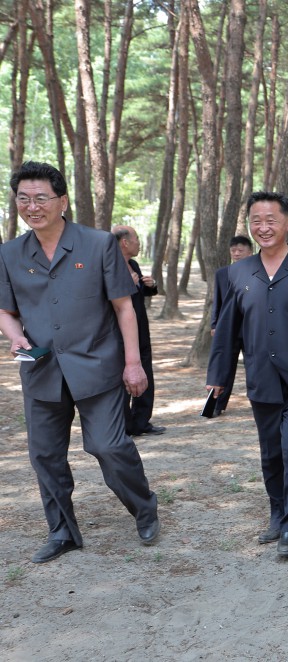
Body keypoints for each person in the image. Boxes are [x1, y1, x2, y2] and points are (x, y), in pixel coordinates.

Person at [0, 161, 159, 563]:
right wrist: (15, 336)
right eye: (23, 198)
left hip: (98, 366)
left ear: (62, 201)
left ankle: (144, 507)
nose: (32, 206)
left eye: (41, 198)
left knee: (107, 445)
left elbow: (124, 307)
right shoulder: (10, 253)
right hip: (41, 370)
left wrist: (133, 363)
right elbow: (5, 310)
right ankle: (62, 532)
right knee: (45, 456)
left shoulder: (98, 243)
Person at [207, 192, 288, 558]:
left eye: (271, 220)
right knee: (270, 452)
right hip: (261, 378)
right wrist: (218, 377)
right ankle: (278, 512)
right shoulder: (236, 273)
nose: (263, 228)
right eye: (256, 221)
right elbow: (226, 331)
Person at [112, 225, 166, 437]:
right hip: (120, 334)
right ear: (125, 242)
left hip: (141, 330)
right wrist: (128, 285)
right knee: (123, 379)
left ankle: (141, 422)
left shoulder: (132, 264)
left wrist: (150, 286)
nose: (139, 243)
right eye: (136, 238)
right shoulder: (111, 266)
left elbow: (140, 293)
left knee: (146, 375)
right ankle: (124, 424)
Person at [210, 235, 254, 416]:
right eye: (233, 251)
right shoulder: (222, 273)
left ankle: (259, 401)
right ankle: (216, 405)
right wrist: (215, 324)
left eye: (240, 250)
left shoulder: (258, 272)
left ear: (250, 252)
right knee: (224, 367)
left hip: (252, 328)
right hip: (227, 328)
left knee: (255, 366)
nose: (236, 254)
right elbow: (217, 302)